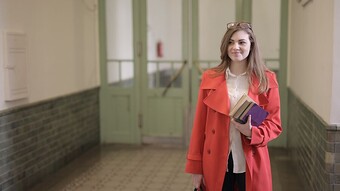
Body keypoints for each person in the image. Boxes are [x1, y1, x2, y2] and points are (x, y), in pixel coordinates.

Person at [185, 22, 282, 191]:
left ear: (251, 44)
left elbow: (274, 124)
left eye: (241, 42)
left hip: (252, 159)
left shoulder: (267, 79)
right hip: (216, 161)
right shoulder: (210, 77)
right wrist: (196, 168)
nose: (235, 47)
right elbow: (199, 127)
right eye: (230, 42)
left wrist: (252, 132)